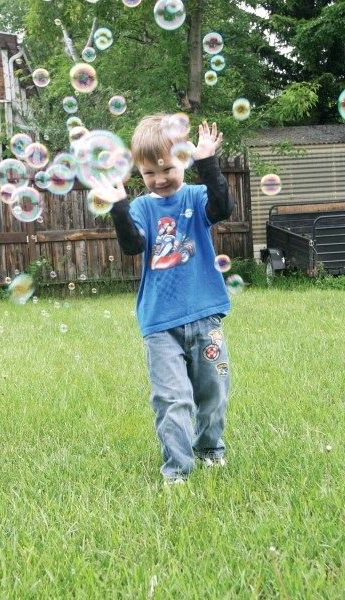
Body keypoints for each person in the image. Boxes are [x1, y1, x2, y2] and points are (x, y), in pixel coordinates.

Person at [91, 114, 234, 485]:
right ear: (139, 173)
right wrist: (120, 206)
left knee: (214, 390)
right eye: (149, 174)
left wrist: (208, 162)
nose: (160, 179)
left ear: (183, 161)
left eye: (168, 168)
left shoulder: (196, 195)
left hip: (206, 317)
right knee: (172, 400)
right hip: (160, 324)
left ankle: (209, 448)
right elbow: (132, 245)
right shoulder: (141, 208)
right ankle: (177, 471)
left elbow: (222, 208)